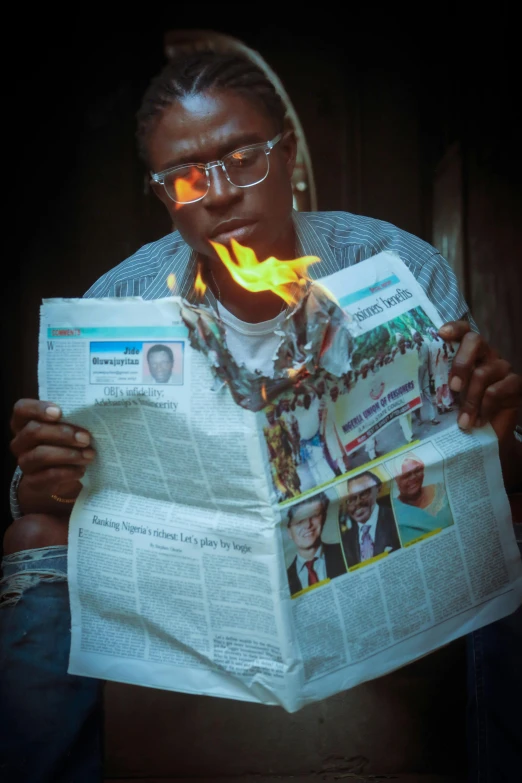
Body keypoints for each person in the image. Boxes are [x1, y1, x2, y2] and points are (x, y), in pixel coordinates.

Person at [2, 49, 521, 783]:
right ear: (163, 194)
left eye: (243, 157)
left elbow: (486, 473)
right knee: (30, 533)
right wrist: (39, 481)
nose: (218, 193)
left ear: (288, 156)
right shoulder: (119, 304)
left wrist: (496, 429)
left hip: (367, 546)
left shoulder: (392, 264)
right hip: (194, 573)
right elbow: (53, 504)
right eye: (186, 177)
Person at [286, 492, 346, 595]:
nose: (308, 525)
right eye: (299, 521)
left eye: (313, 515)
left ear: (324, 518)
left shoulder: (346, 552)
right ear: (289, 532)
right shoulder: (285, 580)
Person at [390, 452, 454, 545]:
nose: (413, 478)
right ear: (396, 479)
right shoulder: (393, 510)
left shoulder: (444, 489)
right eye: (406, 476)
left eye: (417, 471)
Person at [340, 471, 400, 567]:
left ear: (378, 489)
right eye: (352, 499)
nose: (358, 503)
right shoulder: (345, 541)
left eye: (364, 494)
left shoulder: (397, 518)